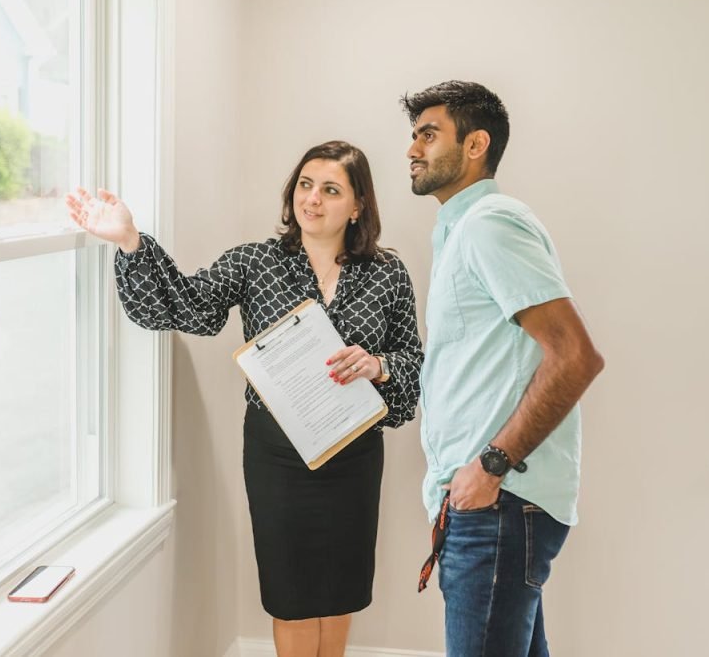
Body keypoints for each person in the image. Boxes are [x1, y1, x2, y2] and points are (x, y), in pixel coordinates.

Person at [66, 140, 422, 657]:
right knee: (292, 592)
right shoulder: (256, 262)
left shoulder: (387, 274)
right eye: (305, 185)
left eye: (330, 189)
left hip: (354, 454)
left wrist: (379, 365)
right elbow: (185, 307)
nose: (312, 200)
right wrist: (130, 241)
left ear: (359, 204)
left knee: (340, 587)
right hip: (277, 456)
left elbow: (413, 358)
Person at [402, 80, 605, 656]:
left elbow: (576, 356)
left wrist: (489, 467)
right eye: (413, 136)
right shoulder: (458, 230)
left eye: (428, 134)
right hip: (483, 502)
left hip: (498, 502)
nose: (412, 150)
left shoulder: (490, 223)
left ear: (476, 145)